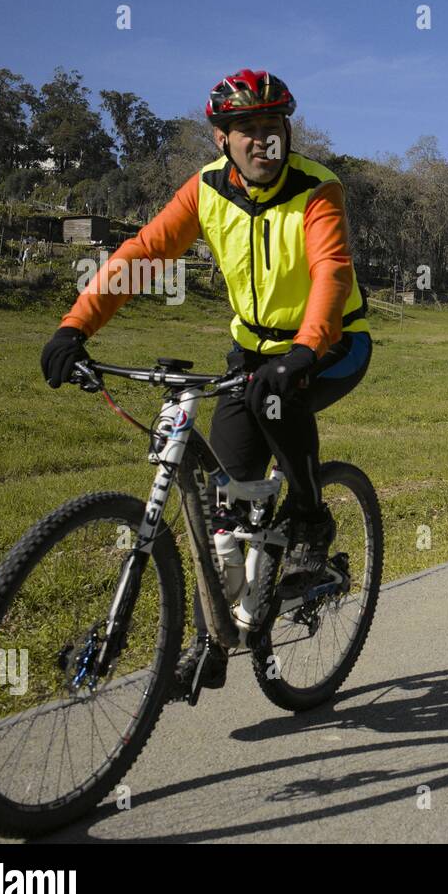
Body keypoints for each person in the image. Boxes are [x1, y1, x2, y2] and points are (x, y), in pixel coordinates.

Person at [39, 69, 372, 693]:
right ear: (222, 137)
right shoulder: (207, 190)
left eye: (272, 128)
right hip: (252, 348)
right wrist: (74, 328)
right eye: (246, 130)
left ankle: (309, 520)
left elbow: (330, 272)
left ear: (286, 132)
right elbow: (143, 254)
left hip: (331, 345)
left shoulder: (318, 190)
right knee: (226, 502)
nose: (261, 142)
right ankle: (210, 639)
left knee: (277, 398)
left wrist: (305, 349)